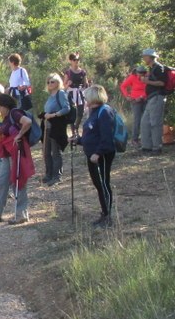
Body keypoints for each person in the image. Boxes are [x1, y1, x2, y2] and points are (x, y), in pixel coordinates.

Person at [0, 93, 34, 225]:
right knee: (1, 182)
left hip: (17, 152)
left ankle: (21, 214)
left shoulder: (14, 113)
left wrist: (19, 135)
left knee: (18, 180)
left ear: (6, 106)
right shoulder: (6, 117)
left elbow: (27, 122)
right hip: (8, 154)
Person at [80, 85, 116, 228]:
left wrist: (98, 153)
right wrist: (78, 141)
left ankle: (108, 217)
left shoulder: (104, 112)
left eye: (86, 97)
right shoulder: (94, 112)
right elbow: (91, 134)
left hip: (102, 155)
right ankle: (104, 213)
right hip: (93, 155)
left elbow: (107, 138)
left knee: (103, 184)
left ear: (93, 97)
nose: (85, 100)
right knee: (98, 184)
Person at [41, 73, 72, 185]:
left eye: (52, 81)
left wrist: (53, 115)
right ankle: (48, 174)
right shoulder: (50, 96)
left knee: (55, 152)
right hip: (47, 127)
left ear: (58, 82)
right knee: (46, 152)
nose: (50, 83)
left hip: (57, 127)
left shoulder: (61, 93)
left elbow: (66, 108)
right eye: (48, 82)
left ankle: (56, 176)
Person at [138, 48, 168, 154]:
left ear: (150, 57)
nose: (143, 58)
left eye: (145, 56)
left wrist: (147, 81)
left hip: (157, 97)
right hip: (151, 98)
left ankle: (157, 147)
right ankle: (147, 146)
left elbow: (162, 83)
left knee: (155, 123)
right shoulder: (151, 68)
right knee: (145, 122)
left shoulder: (159, 68)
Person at [63, 52, 90, 141]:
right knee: (72, 112)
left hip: (80, 93)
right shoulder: (68, 72)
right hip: (71, 93)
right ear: (71, 61)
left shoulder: (82, 72)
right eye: (75, 60)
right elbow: (64, 86)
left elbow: (86, 84)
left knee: (80, 113)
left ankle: (76, 127)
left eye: (78, 59)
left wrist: (86, 85)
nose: (77, 61)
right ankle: (74, 133)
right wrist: (68, 84)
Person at [119, 66, 148, 147]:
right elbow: (123, 86)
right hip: (135, 101)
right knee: (137, 119)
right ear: (136, 73)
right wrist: (127, 96)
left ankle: (145, 138)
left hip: (145, 99)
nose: (141, 76)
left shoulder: (147, 77)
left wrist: (142, 96)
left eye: (143, 74)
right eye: (139, 74)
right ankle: (135, 139)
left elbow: (149, 89)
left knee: (146, 119)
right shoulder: (132, 77)